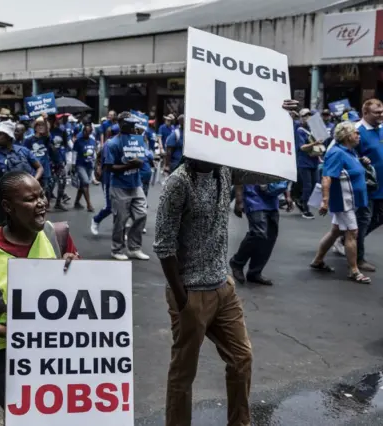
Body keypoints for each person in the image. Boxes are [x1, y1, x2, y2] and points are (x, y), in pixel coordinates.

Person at [154, 99, 299, 426]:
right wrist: (182, 300)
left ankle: (241, 422)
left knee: (241, 358)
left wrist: (282, 120)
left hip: (223, 288)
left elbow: (270, 168)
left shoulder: (224, 170)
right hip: (192, 292)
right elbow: (164, 246)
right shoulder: (178, 183)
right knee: (183, 374)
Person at [0, 171, 79, 407]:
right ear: (8, 206)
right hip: (2, 352)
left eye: (41, 195)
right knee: (27, 417)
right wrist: (12, 334)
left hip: (55, 345)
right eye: (30, 199)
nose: (41, 203)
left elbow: (79, 296)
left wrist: (76, 267)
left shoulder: (58, 235)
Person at [310, 121, 371, 284]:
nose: (358, 135)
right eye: (355, 133)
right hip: (344, 202)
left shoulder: (350, 152)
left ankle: (318, 260)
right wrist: (325, 201)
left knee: (336, 231)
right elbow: (327, 176)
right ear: (346, 136)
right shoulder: (337, 153)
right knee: (352, 233)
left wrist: (362, 162)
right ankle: (354, 270)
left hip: (351, 200)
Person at [104, 112, 149, 261]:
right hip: (119, 186)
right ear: (121, 124)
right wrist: (129, 165)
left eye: (133, 124)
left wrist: (141, 162)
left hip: (136, 184)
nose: (133, 127)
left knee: (141, 214)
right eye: (129, 124)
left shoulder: (137, 140)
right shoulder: (112, 144)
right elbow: (109, 167)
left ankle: (134, 248)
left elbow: (143, 158)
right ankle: (116, 249)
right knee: (120, 220)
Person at [229, 181, 293, 286]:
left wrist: (288, 195)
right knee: (258, 233)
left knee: (270, 237)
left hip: (272, 197)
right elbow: (239, 177)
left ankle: (255, 272)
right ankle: (237, 262)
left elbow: (283, 175)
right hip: (253, 198)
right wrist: (239, 200)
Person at [0, 121, 43, 225]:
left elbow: (39, 168)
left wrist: (33, 181)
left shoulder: (24, 151)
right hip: (3, 196)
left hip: (25, 193)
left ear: (9, 137)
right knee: (6, 224)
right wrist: (0, 184)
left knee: (27, 222)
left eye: (0, 134)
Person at [354, 98, 383, 272]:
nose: (381, 115)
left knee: (378, 218)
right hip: (365, 186)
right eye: (377, 112)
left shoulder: (381, 129)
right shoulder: (356, 130)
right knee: (363, 220)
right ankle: (358, 258)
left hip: (382, 185)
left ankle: (347, 239)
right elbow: (345, 153)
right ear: (365, 113)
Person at [294, 108, 323, 219]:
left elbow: (316, 146)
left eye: (309, 115)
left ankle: (301, 200)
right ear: (301, 118)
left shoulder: (313, 130)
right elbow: (302, 147)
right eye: (305, 116)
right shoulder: (300, 130)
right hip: (304, 162)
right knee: (308, 186)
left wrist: (319, 157)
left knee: (315, 185)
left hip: (313, 161)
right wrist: (315, 143)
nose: (308, 117)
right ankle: (305, 209)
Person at [23, 118, 53, 202]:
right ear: (35, 127)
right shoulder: (29, 140)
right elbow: (25, 154)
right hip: (33, 169)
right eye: (39, 125)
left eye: (43, 125)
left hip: (45, 168)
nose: (41, 127)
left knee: (45, 188)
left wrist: (45, 119)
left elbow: (47, 133)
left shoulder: (46, 139)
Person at [72, 121, 96, 212]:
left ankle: (77, 202)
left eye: (89, 131)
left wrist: (95, 163)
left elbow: (94, 153)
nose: (86, 133)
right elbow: (74, 153)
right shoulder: (78, 141)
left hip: (89, 165)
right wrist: (73, 166)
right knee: (85, 182)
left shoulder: (92, 140)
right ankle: (89, 204)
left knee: (83, 184)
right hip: (80, 165)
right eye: (85, 131)